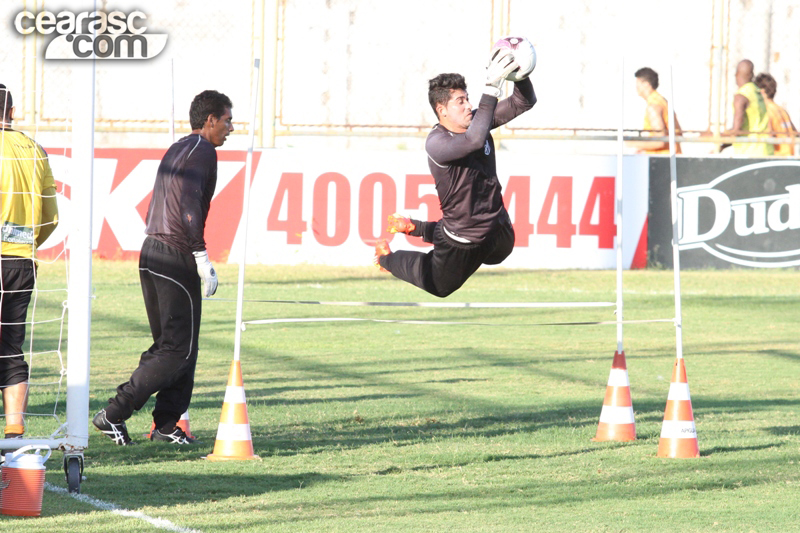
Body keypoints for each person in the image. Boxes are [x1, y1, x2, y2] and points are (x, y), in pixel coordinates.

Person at [93, 90, 233, 445]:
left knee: (174, 345)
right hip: (175, 255)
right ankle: (114, 413)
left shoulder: (179, 147)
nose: (231, 128)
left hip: (152, 251)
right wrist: (200, 256)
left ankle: (167, 424)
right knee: (178, 349)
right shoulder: (203, 152)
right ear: (210, 120)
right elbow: (188, 205)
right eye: (228, 120)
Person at [374, 48, 536, 297]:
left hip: (497, 229)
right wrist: (491, 88)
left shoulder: (476, 123)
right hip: (464, 240)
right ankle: (386, 259)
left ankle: (414, 227)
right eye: (460, 101)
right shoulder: (437, 143)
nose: (469, 105)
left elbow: (524, 101)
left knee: (502, 251)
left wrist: (520, 74)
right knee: (439, 286)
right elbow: (472, 141)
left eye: (468, 98)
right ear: (442, 111)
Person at [0, 83, 59, 441]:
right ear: (11, 111)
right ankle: (14, 428)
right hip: (21, 262)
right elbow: (50, 218)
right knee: (10, 346)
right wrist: (25, 243)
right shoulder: (34, 150)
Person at [720, 59, 772, 156]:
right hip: (766, 150)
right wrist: (723, 146)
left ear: (737, 74)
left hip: (749, 153)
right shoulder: (758, 93)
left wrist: (716, 136)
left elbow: (737, 131)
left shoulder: (741, 96)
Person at [628, 67, 682, 154]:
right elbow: (678, 132)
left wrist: (632, 143)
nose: (636, 87)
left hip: (661, 161)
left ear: (646, 84)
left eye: (638, 83)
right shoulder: (663, 102)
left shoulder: (653, 106)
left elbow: (660, 141)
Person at [754, 72, 797, 156]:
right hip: (789, 157)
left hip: (776, 158)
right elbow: (795, 133)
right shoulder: (781, 110)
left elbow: (770, 135)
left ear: (762, 92)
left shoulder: (767, 110)